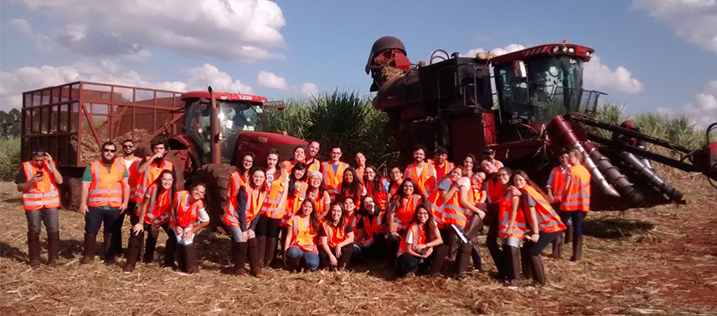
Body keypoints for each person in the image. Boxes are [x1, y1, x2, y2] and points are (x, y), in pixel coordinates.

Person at [79, 141, 130, 265]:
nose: (109, 153)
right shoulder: (92, 166)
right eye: (106, 150)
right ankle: (88, 256)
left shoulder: (121, 167)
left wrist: (125, 203)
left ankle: (109, 257)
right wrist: (83, 203)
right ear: (102, 152)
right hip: (96, 205)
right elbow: (85, 186)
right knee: (91, 231)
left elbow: (126, 186)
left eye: (112, 151)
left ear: (115, 153)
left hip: (114, 206)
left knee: (111, 232)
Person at [513, 170, 566, 286]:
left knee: (533, 251)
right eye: (516, 180)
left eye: (520, 180)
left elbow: (533, 214)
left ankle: (539, 282)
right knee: (525, 248)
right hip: (546, 225)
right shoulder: (527, 191)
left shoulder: (527, 193)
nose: (518, 182)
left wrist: (535, 233)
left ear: (525, 180)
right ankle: (528, 275)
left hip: (551, 226)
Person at [16, 148, 63, 267]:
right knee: (34, 230)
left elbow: (60, 181)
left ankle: (53, 259)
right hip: (33, 205)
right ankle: (35, 259)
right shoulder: (26, 167)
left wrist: (51, 164)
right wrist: (31, 181)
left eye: (41, 160)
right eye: (36, 160)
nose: (39, 163)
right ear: (32, 158)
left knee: (53, 230)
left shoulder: (51, 165)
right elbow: (20, 187)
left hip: (50, 204)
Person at [124, 170, 177, 273]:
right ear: (160, 180)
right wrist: (140, 223)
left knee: (174, 235)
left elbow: (173, 208)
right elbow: (144, 205)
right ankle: (130, 264)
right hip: (146, 216)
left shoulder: (174, 190)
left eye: (170, 180)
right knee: (136, 234)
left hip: (162, 218)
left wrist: (175, 223)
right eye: (165, 179)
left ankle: (169, 263)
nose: (167, 182)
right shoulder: (152, 189)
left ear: (173, 180)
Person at [223, 167, 266, 277]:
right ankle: (239, 268)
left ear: (264, 179)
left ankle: (255, 268)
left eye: (261, 177)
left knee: (252, 237)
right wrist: (243, 230)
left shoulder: (263, 192)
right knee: (241, 238)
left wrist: (251, 229)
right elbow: (241, 210)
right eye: (256, 176)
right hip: (234, 217)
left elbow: (257, 213)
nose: (258, 179)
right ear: (252, 177)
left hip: (246, 220)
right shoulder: (244, 189)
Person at [446, 168, 487, 278]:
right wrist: (478, 211)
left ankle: (458, 270)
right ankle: (460, 273)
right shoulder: (465, 181)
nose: (479, 180)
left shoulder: (473, 188)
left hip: (461, 218)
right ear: (473, 173)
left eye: (482, 179)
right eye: (478, 176)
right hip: (455, 217)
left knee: (467, 242)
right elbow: (463, 200)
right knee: (466, 242)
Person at [394, 204, 447, 277]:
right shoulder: (412, 228)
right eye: (420, 213)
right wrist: (421, 256)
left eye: (425, 213)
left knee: (442, 248)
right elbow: (407, 249)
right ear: (416, 215)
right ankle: (403, 268)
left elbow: (440, 240)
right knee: (411, 264)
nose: (422, 216)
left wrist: (427, 246)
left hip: (421, 249)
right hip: (408, 252)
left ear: (429, 214)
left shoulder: (432, 224)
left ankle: (434, 273)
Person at [256, 149, 288, 268]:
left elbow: (284, 192)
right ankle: (260, 259)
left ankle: (270, 260)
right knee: (261, 234)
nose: (271, 162)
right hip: (262, 209)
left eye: (274, 159)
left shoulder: (283, 173)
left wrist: (279, 207)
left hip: (275, 210)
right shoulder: (261, 171)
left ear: (277, 161)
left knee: (273, 235)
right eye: (270, 159)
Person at [559, 149, 591, 262]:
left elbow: (566, 187)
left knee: (558, 227)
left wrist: (561, 199)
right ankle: (577, 256)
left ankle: (556, 252)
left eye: (570, 157)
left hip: (569, 204)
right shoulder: (586, 171)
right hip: (582, 205)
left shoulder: (570, 170)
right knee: (578, 229)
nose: (568, 159)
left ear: (576, 158)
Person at [170, 183, 210, 274]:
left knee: (187, 240)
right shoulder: (180, 195)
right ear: (192, 190)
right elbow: (172, 209)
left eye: (201, 192)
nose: (198, 193)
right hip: (177, 223)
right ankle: (182, 267)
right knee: (180, 239)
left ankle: (193, 269)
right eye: (197, 190)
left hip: (189, 225)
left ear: (203, 196)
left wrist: (192, 231)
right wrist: (177, 225)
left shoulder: (199, 204)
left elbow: (206, 221)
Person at [497, 167, 525, 286]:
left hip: (514, 226)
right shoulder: (505, 191)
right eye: (499, 175)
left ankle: (515, 279)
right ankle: (509, 276)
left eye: (504, 175)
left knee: (512, 249)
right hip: (504, 226)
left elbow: (514, 210)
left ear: (509, 176)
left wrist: (510, 227)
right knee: (507, 250)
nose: (501, 177)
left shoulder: (513, 191)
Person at [387, 178, 424, 266]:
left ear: (414, 187)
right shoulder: (396, 198)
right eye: (406, 186)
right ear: (402, 187)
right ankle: (390, 262)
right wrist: (392, 231)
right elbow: (391, 215)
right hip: (399, 226)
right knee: (390, 238)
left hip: (413, 227)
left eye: (410, 186)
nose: (408, 188)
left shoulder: (418, 199)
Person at [115, 139, 143, 255]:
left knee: (137, 225)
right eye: (125, 146)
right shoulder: (117, 161)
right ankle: (116, 251)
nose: (128, 148)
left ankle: (136, 252)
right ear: (122, 148)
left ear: (134, 147)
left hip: (135, 199)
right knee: (116, 225)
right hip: (120, 198)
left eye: (130, 146)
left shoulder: (140, 162)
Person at [546, 151, 572, 258]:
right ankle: (556, 250)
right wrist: (549, 194)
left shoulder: (573, 170)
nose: (564, 159)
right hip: (556, 201)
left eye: (566, 157)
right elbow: (549, 184)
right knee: (557, 224)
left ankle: (568, 242)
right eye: (562, 157)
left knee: (567, 222)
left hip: (568, 201)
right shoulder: (555, 170)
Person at [284, 199, 320, 272]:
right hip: (296, 246)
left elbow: (315, 237)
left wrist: (315, 246)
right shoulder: (294, 219)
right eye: (305, 206)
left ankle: (304, 264)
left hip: (309, 248)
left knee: (313, 263)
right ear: (302, 206)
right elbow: (288, 237)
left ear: (313, 209)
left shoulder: (315, 222)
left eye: (310, 207)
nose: (307, 209)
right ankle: (294, 266)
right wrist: (285, 252)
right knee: (292, 253)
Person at [319, 202, 355, 270]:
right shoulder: (324, 224)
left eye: (338, 211)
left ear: (342, 212)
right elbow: (323, 243)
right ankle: (329, 264)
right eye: (334, 210)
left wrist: (339, 245)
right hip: (329, 247)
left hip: (340, 246)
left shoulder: (346, 222)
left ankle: (341, 266)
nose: (336, 213)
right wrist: (330, 255)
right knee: (322, 254)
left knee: (349, 248)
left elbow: (351, 238)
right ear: (330, 211)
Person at [353, 195, 387, 261]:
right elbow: (362, 234)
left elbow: (384, 232)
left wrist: (371, 239)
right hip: (369, 242)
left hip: (381, 240)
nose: (368, 204)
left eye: (370, 201)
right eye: (365, 202)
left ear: (374, 202)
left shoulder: (382, 215)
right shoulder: (363, 218)